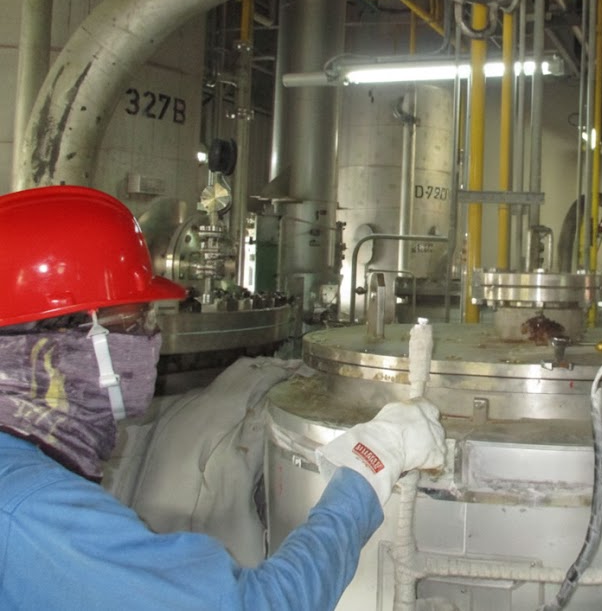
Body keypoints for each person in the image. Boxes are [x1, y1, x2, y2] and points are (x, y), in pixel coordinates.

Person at [0, 185, 446, 611]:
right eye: (132, 322)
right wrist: (366, 472)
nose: (150, 338)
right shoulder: (37, 517)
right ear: (55, 342)